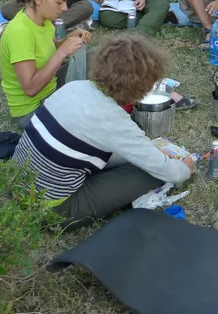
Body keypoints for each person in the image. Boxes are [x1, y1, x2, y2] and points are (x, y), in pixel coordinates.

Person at [12, 34, 195, 230]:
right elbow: (169, 173)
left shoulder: (73, 88)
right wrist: (184, 168)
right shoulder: (115, 121)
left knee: (137, 160)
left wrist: (147, 152)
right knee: (151, 173)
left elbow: (93, 146)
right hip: (52, 212)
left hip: (16, 184)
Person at [0, 0, 91, 129]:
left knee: (97, 58)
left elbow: (49, 49)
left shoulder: (43, 19)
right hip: (32, 109)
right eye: (59, 2)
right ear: (39, 0)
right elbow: (30, 88)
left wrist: (70, 40)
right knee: (88, 119)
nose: (65, 8)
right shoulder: (20, 33)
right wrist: (62, 52)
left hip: (51, 89)